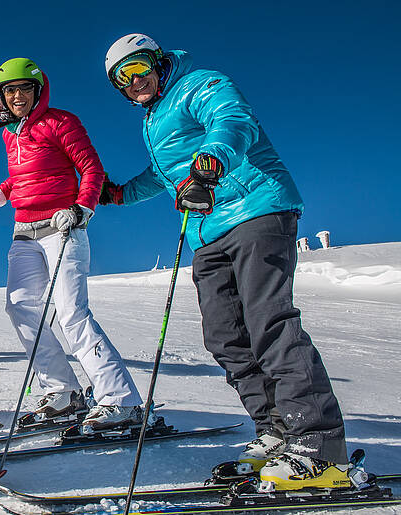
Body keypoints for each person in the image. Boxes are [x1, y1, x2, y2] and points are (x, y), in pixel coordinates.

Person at [100, 34, 348, 490]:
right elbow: (162, 174)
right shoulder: (153, 120)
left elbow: (233, 121)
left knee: (268, 323)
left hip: (256, 209)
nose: (133, 83)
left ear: (157, 61)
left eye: (137, 69)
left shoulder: (199, 84)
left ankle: (318, 448)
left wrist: (211, 162)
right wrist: (118, 194)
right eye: (122, 80)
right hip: (205, 229)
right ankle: (275, 431)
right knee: (225, 337)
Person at [0, 57, 156, 432]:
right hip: (24, 231)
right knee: (20, 307)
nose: (17, 96)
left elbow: (91, 168)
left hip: (62, 226)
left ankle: (122, 400)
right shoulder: (10, 134)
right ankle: (62, 393)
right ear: (1, 97)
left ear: (38, 90)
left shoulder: (60, 121)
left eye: (24, 88)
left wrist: (82, 208)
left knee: (71, 311)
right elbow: (19, 180)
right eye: (9, 90)